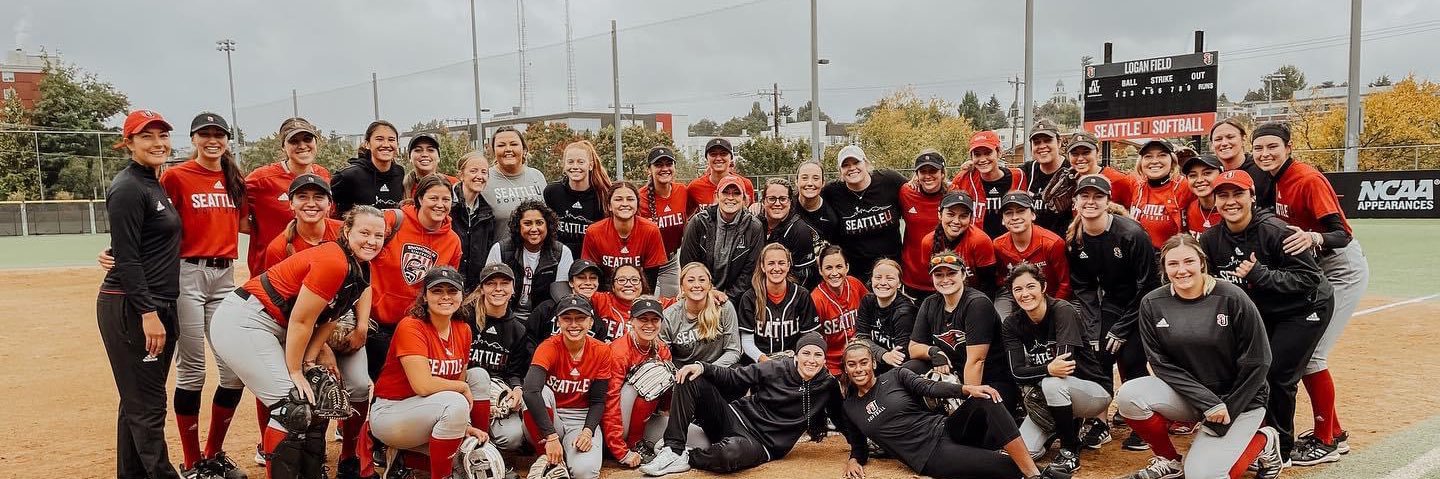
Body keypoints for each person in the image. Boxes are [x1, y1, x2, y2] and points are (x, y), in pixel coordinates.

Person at [211, 206, 382, 479]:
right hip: (246, 321)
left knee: (314, 399)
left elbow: (331, 317)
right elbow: (301, 321)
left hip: (275, 325)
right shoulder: (334, 260)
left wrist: (311, 360)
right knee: (291, 407)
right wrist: (295, 370)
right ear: (346, 231)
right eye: (364, 232)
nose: (371, 240)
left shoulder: (361, 268)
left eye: (378, 235)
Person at [1115, 234, 1286, 479]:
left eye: (1189, 262)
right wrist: (1207, 402)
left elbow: (1259, 360)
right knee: (1130, 395)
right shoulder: (1152, 303)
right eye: (1173, 264)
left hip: (1240, 400)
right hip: (1194, 397)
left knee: (1202, 476)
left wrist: (1227, 408)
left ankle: (1264, 440)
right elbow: (1160, 363)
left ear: (1202, 263)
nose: (1181, 270)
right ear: (1164, 267)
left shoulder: (1231, 297)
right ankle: (1170, 460)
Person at [1250, 122, 1369, 466]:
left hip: (1339, 267)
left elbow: (1341, 234)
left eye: (1272, 146)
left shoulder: (1306, 178)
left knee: (1312, 356)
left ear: (1288, 148)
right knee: (1306, 355)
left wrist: (1314, 238)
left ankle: (1326, 441)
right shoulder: (1272, 178)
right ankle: (1335, 432)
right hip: (1312, 270)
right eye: (1259, 149)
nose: (1265, 154)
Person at [1200, 169, 1333, 463]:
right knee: (1249, 367)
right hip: (1264, 310)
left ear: (1253, 197)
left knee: (1278, 375)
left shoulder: (1275, 231)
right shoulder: (1211, 239)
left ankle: (1281, 449)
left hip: (1304, 308)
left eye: (1238, 194)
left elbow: (1309, 278)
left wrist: (1261, 275)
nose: (1230, 201)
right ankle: (1253, 434)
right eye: (1223, 195)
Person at [159, 112, 249, 479]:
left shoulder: (233, 178)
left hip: (224, 275)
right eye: (205, 134)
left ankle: (213, 453)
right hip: (187, 274)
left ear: (227, 139)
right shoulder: (176, 176)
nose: (213, 140)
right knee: (193, 370)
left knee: (233, 373)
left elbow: (246, 222)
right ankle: (192, 462)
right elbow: (154, 220)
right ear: (194, 138)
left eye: (219, 134)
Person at [98, 109, 183, 479]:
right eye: (146, 136)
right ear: (129, 143)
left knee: (135, 403)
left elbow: (132, 245)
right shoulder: (129, 187)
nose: (157, 143)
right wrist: (148, 313)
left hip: (156, 303)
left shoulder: (153, 182)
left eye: (162, 135)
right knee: (148, 407)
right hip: (134, 308)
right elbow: (128, 260)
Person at [640, 332, 838, 476]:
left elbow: (843, 418)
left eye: (817, 355)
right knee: (691, 376)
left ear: (824, 359)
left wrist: (859, 451)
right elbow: (734, 376)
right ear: (796, 356)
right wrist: (702, 366)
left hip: (762, 445)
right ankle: (673, 449)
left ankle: (689, 457)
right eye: (806, 353)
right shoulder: (776, 367)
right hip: (735, 417)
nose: (811, 360)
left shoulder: (828, 385)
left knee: (729, 453)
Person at [838, 343, 1047, 479]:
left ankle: (1034, 475)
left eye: (864, 362)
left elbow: (928, 387)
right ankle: (1047, 474)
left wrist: (968, 389)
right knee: (1008, 468)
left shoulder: (895, 375)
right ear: (846, 369)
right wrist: (853, 461)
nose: (859, 369)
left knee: (985, 398)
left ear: (873, 363)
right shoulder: (850, 407)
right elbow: (858, 446)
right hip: (930, 456)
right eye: (852, 365)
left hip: (945, 428)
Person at [1064, 174, 1160, 451]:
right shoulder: (1075, 240)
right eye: (1085, 196)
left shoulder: (1131, 234)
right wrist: (1093, 329)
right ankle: (1099, 422)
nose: (1091, 201)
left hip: (1143, 303)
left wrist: (1122, 328)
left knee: (1131, 358)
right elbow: (1084, 289)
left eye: (1098, 196)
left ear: (1108, 201)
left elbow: (1148, 286)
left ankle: (1144, 423)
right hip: (1112, 302)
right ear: (1076, 201)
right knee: (1097, 352)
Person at [368, 266, 489, 479]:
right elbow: (422, 385)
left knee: (479, 376)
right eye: (437, 291)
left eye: (452, 291)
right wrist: (461, 388)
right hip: (392, 413)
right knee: (456, 401)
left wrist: (465, 426)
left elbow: (459, 376)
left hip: (430, 410)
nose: (445, 297)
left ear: (462, 295)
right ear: (424, 296)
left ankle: (407, 459)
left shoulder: (463, 329)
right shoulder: (411, 326)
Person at [1002, 264, 1110, 477]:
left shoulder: (1062, 310)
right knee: (1026, 452)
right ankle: (1059, 426)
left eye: (1030, 286)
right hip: (1049, 398)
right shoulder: (1012, 324)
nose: (1025, 294)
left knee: (1053, 383)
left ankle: (1070, 448)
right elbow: (1016, 372)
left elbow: (1064, 367)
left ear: (1043, 287)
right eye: (1018, 290)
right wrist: (1047, 368)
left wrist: (1042, 371)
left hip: (1092, 392)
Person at [908, 251, 1021, 420]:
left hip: (989, 381)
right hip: (955, 377)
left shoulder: (977, 303)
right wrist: (934, 351)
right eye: (939, 275)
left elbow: (976, 361)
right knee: (911, 368)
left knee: (975, 426)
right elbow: (914, 348)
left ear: (963, 274)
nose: (945, 279)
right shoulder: (930, 303)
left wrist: (966, 406)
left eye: (951, 273)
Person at [522, 294, 612, 479]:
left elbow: (598, 401)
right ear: (558, 322)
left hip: (580, 418)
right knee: (542, 392)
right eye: (567, 318)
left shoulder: (602, 350)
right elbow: (530, 391)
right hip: (549, 416)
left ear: (590, 321)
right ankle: (547, 459)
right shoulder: (548, 347)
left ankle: (559, 460)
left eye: (580, 318)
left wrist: (588, 432)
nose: (573, 324)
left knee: (585, 472)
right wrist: (551, 436)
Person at [244, 117, 330, 275]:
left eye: (307, 139)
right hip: (269, 272)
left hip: (311, 272)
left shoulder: (323, 175)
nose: (302, 145)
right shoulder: (261, 179)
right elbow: (231, 208)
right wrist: (261, 228)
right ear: (284, 147)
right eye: (294, 141)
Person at [463, 264, 531, 452]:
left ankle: (488, 447)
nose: (498, 288)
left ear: (513, 289)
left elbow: (514, 371)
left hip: (496, 394)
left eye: (504, 283)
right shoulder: (464, 317)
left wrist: (517, 389)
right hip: (464, 389)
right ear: (482, 288)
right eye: (491, 283)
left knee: (513, 438)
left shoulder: (518, 329)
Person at [602, 298, 674, 468]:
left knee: (698, 438)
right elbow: (609, 400)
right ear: (631, 321)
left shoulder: (662, 349)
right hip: (614, 423)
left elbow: (666, 399)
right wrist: (620, 450)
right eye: (643, 319)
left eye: (654, 320)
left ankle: (640, 441)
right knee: (651, 375)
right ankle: (631, 443)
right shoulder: (619, 351)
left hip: (644, 419)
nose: (649, 324)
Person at [822, 144, 907, 282]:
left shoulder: (889, 180)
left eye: (856, 162)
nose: (852, 168)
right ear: (840, 171)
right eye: (846, 165)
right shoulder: (832, 191)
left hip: (890, 270)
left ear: (865, 163)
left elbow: (916, 193)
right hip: (854, 274)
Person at [679, 175, 765, 300]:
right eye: (725, 192)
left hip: (737, 298)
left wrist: (727, 298)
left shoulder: (754, 227)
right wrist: (708, 293)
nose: (730, 198)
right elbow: (688, 265)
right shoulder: (698, 222)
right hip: (701, 293)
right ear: (717, 196)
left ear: (744, 199)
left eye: (736, 193)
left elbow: (749, 273)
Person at [486, 200, 574, 322]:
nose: (534, 229)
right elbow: (489, 288)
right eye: (527, 223)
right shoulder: (500, 249)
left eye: (539, 223)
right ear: (518, 226)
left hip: (543, 320)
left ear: (548, 225)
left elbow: (562, 297)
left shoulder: (562, 252)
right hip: (505, 316)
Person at [992, 191, 1070, 319]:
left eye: (1021, 211)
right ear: (1002, 220)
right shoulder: (998, 245)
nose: (1015, 217)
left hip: (1050, 297)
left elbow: (1065, 284)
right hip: (1017, 297)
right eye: (1008, 213)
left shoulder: (1052, 243)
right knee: (1001, 321)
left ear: (1033, 215)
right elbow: (1001, 280)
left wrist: (1051, 311)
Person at [737, 243, 820, 362]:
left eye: (781, 263)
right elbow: (746, 342)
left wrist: (796, 361)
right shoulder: (750, 297)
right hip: (759, 364)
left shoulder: (801, 295)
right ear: (763, 266)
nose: (776, 268)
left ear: (788, 265)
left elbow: (809, 337)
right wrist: (767, 362)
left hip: (792, 362)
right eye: (771, 263)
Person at [581, 181, 667, 289]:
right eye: (618, 199)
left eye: (630, 199)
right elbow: (594, 275)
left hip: (638, 290)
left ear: (637, 204)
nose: (625, 203)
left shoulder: (651, 230)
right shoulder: (594, 232)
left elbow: (650, 280)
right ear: (609, 206)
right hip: (606, 291)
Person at [917, 192, 999, 299]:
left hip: (976, 296)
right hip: (944, 295)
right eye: (950, 214)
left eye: (963, 216)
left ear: (970, 218)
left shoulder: (980, 241)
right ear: (940, 214)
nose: (956, 221)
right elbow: (932, 282)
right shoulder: (928, 242)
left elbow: (988, 285)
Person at [660, 263, 743, 368]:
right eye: (690, 280)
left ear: (709, 285)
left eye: (702, 280)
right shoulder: (669, 316)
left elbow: (733, 351)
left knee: (738, 371)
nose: (697, 285)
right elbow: (665, 358)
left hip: (718, 370)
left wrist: (705, 370)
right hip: (686, 374)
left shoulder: (724, 307)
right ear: (682, 287)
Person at [260, 174, 344, 273]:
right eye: (302, 197)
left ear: (329, 205)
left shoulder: (346, 232)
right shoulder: (278, 249)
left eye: (318, 197)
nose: (311, 204)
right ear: (291, 204)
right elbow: (276, 286)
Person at [950, 130, 1026, 238]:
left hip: (1012, 246)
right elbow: (944, 194)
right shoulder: (965, 178)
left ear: (999, 152)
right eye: (977, 154)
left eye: (988, 153)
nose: (982, 159)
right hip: (979, 246)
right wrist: (918, 180)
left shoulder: (1019, 176)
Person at [546, 140, 612, 254]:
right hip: (559, 259)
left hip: (591, 260)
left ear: (590, 165)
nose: (575, 166)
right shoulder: (552, 192)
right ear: (564, 165)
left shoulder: (603, 194)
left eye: (580, 162)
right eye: (570, 162)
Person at [638, 146, 688, 297]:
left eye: (669, 164)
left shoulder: (682, 191)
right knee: (643, 305)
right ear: (649, 169)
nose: (664, 168)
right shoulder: (639, 198)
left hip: (670, 261)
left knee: (669, 305)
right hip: (644, 262)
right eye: (659, 165)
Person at [899, 149, 949, 296]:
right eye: (922, 171)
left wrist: (969, 166)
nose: (928, 176)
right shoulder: (906, 192)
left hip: (946, 277)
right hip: (913, 279)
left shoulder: (953, 194)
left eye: (933, 171)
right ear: (917, 175)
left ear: (942, 173)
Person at [812, 245, 869, 375]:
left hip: (860, 358)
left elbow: (870, 312)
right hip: (832, 365)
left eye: (839, 266)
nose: (834, 273)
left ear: (847, 267)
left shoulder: (855, 284)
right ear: (820, 270)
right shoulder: (816, 299)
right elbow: (814, 339)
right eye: (828, 268)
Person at [758, 177, 822, 289]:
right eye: (772, 198)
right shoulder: (756, 223)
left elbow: (805, 277)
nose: (777, 203)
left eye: (783, 199)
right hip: (758, 287)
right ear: (763, 201)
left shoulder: (799, 230)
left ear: (790, 202)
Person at [1128, 139, 1193, 249]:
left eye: (1162, 155)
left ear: (1172, 161)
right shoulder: (1135, 185)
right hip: (1139, 256)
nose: (1154, 161)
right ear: (1141, 162)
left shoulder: (1184, 186)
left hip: (1171, 256)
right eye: (1148, 156)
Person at [854, 259, 916, 374]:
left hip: (899, 370)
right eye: (878, 277)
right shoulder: (867, 301)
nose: (882, 282)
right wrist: (884, 355)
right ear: (871, 280)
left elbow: (901, 357)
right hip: (875, 363)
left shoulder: (904, 311)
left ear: (899, 283)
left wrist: (871, 348)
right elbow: (861, 338)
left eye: (890, 278)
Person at [332, 120, 406, 215]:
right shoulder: (347, 176)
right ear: (367, 144)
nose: (386, 145)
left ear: (397, 144)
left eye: (391, 140)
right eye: (379, 139)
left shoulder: (399, 173)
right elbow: (336, 216)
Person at [483, 126, 547, 233]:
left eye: (514, 144)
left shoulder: (537, 176)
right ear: (494, 150)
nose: (508, 149)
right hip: (499, 249)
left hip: (536, 249)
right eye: (501, 145)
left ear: (524, 149)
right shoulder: (485, 179)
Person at [529, 260, 607, 346]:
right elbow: (529, 339)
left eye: (593, 278)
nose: (588, 283)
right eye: (581, 277)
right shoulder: (547, 308)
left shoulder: (596, 317)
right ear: (571, 282)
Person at [450, 151, 498, 291]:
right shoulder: (447, 206)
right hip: (449, 284)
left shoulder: (487, 213)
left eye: (484, 172)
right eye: (473, 171)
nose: (479, 176)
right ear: (461, 175)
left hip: (474, 288)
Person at [1021, 119, 1072, 234]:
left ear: (1059, 142)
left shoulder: (1072, 171)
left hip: (1063, 245)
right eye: (1037, 142)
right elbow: (997, 175)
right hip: (1033, 245)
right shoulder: (1025, 171)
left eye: (1048, 140)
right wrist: (972, 166)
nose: (1042, 146)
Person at [1209, 118, 1274, 207]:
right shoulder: (1211, 174)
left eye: (1230, 137)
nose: (1224, 143)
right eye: (1218, 139)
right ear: (1212, 145)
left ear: (1243, 139)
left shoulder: (1263, 169)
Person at [1065, 131, 1136, 211]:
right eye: (1075, 154)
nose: (1080, 158)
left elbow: (1134, 214)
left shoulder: (1119, 179)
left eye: (1086, 153)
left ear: (1097, 153)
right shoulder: (1070, 181)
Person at [686, 138, 756, 216]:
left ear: (731, 158)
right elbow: (686, 217)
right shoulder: (695, 187)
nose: (718, 158)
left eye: (723, 154)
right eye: (713, 154)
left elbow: (750, 215)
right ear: (707, 158)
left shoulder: (745, 184)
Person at [590, 263, 649, 341]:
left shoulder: (652, 305)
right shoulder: (601, 300)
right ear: (613, 286)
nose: (628, 284)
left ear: (642, 284)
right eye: (621, 280)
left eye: (634, 280)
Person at [794, 161, 840, 243]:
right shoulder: (786, 206)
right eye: (804, 178)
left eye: (816, 178)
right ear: (796, 181)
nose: (810, 183)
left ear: (823, 183)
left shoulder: (833, 211)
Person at [1180, 154, 1224, 237]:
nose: (1199, 180)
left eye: (1207, 173)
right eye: (1193, 175)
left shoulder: (1230, 209)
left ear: (1221, 174)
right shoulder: (1189, 208)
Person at [401, 133, 456, 197]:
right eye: (418, 150)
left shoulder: (454, 184)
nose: (425, 154)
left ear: (439, 157)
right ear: (409, 157)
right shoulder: (401, 186)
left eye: (430, 150)